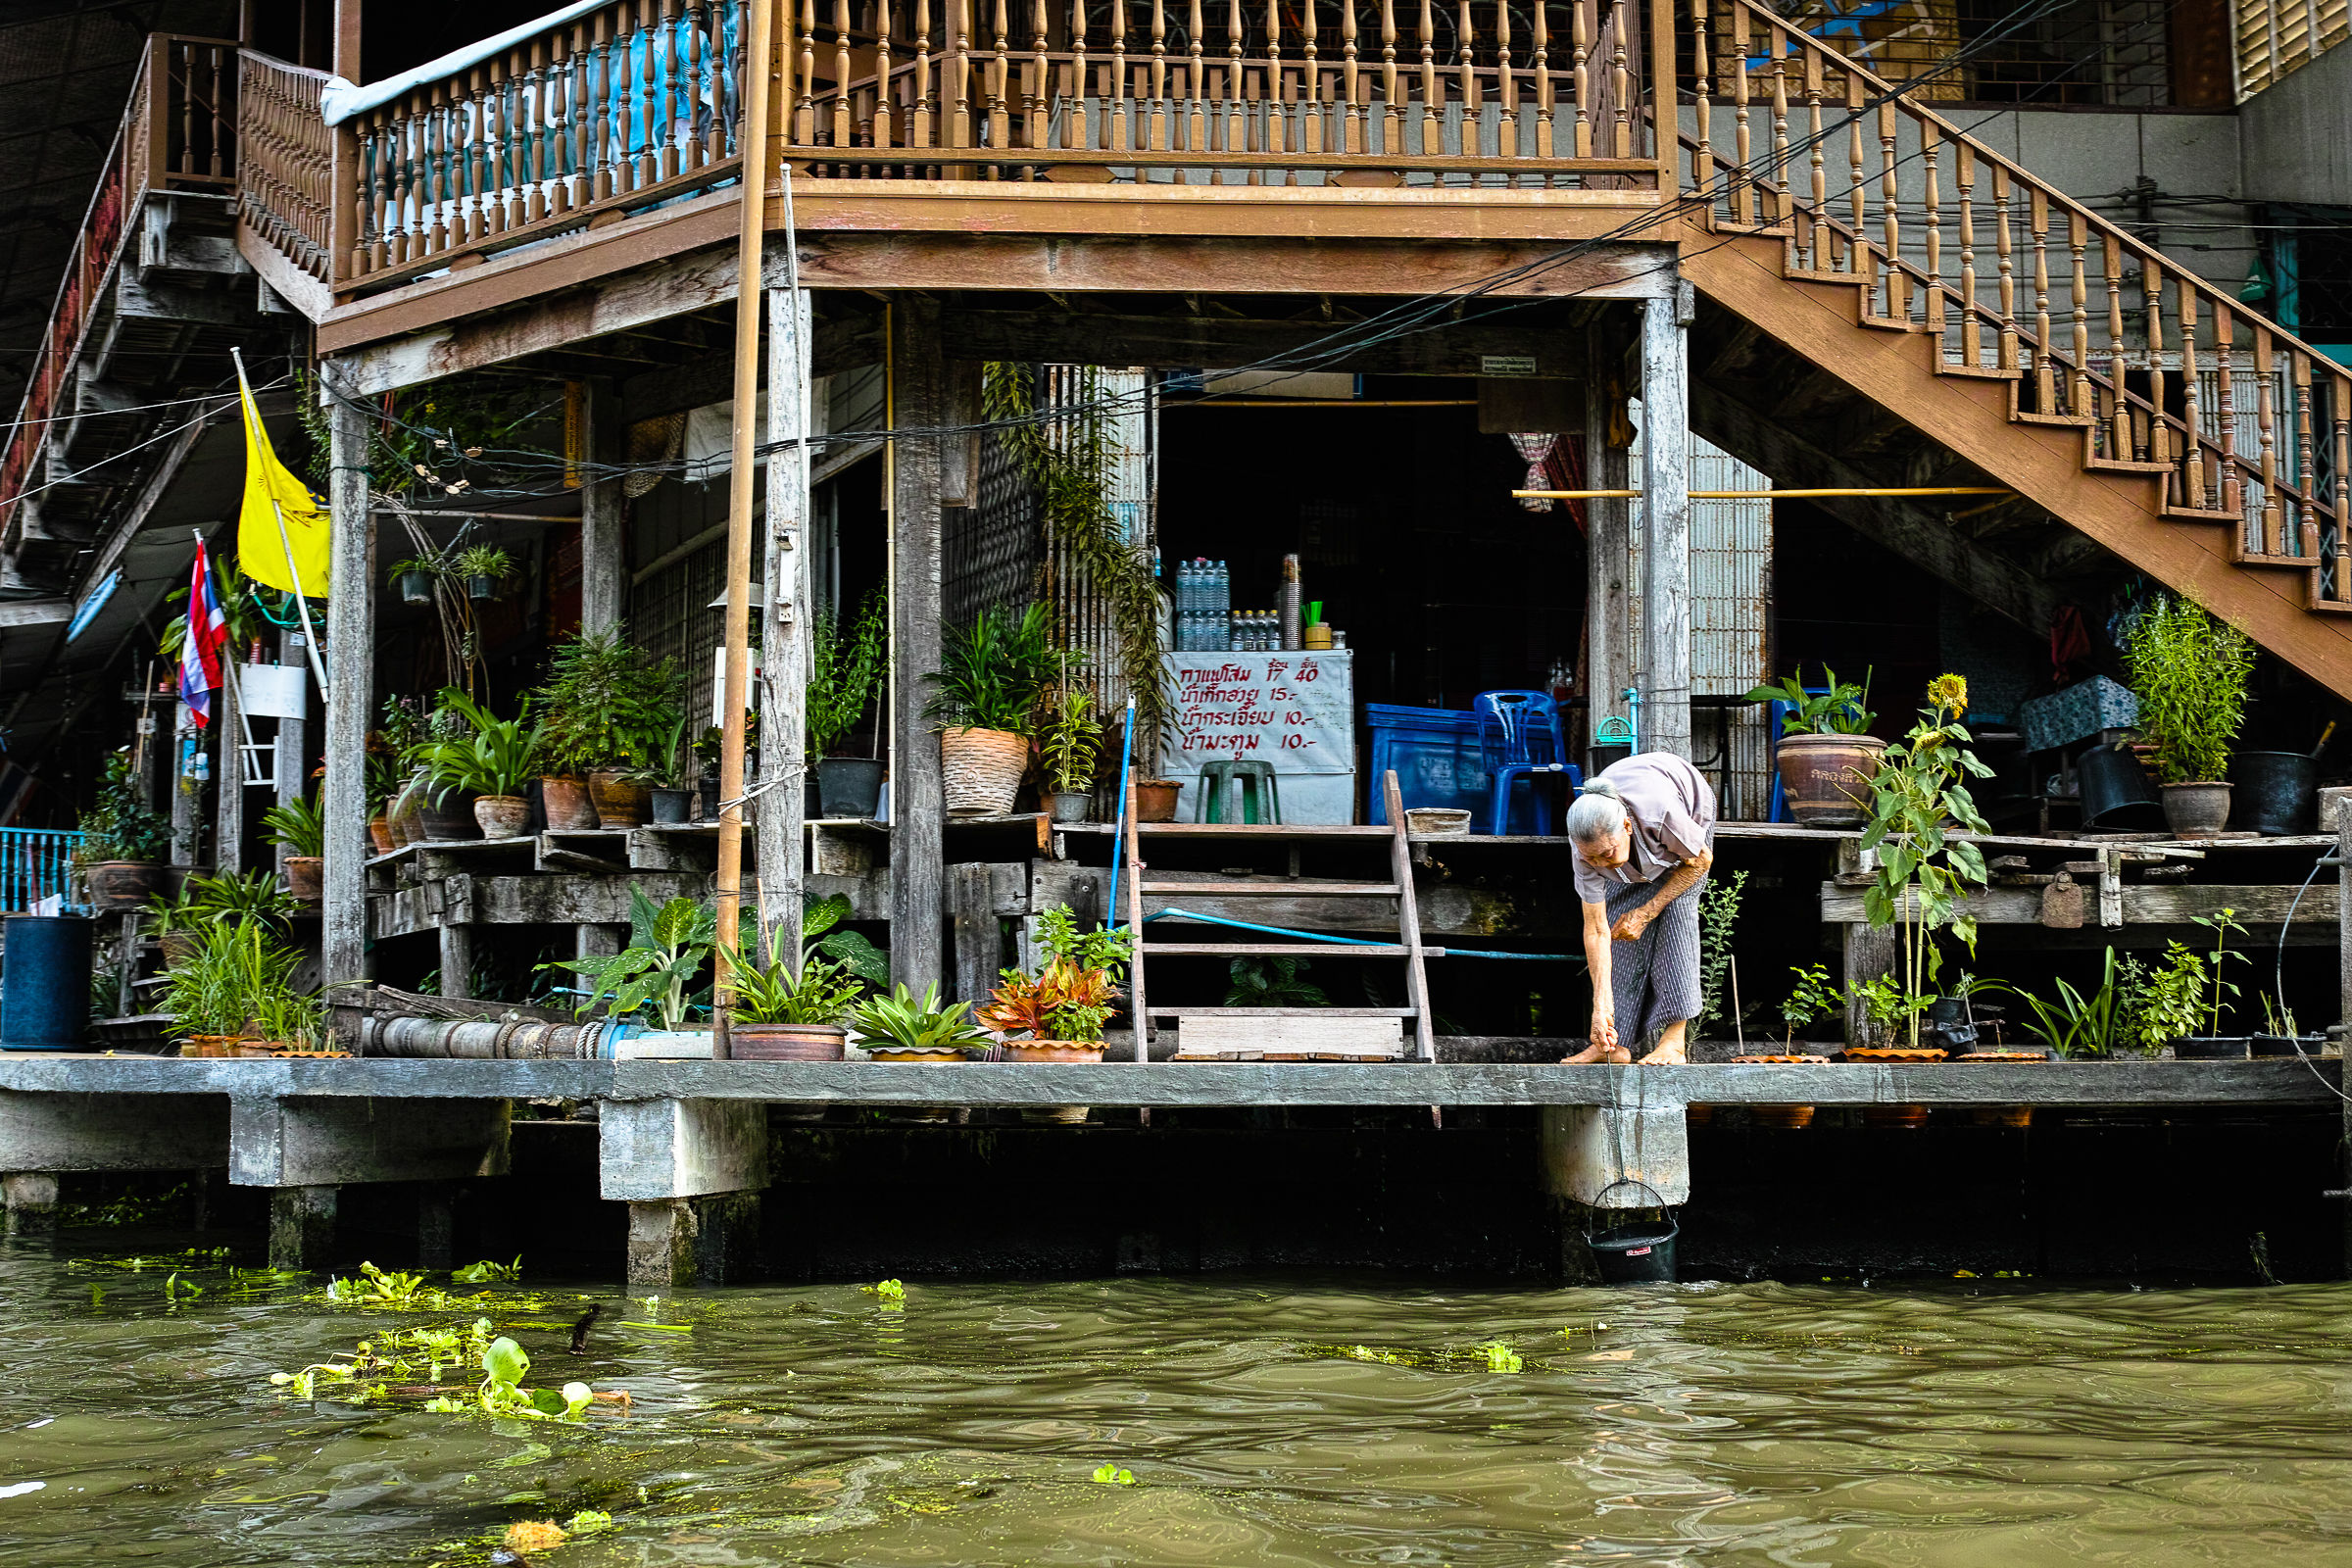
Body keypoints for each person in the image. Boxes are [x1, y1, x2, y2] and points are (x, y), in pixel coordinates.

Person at [1558, 753, 1717, 1066]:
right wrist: (1600, 1007)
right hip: (1629, 826)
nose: (1600, 864)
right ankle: (1613, 1044)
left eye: (1607, 854)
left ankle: (1674, 1043)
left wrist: (1646, 912)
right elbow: (1596, 930)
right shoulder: (1586, 848)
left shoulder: (1662, 814)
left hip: (1686, 803)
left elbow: (1700, 861)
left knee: (1676, 913)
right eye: (1592, 859)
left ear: (1627, 827)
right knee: (1617, 925)